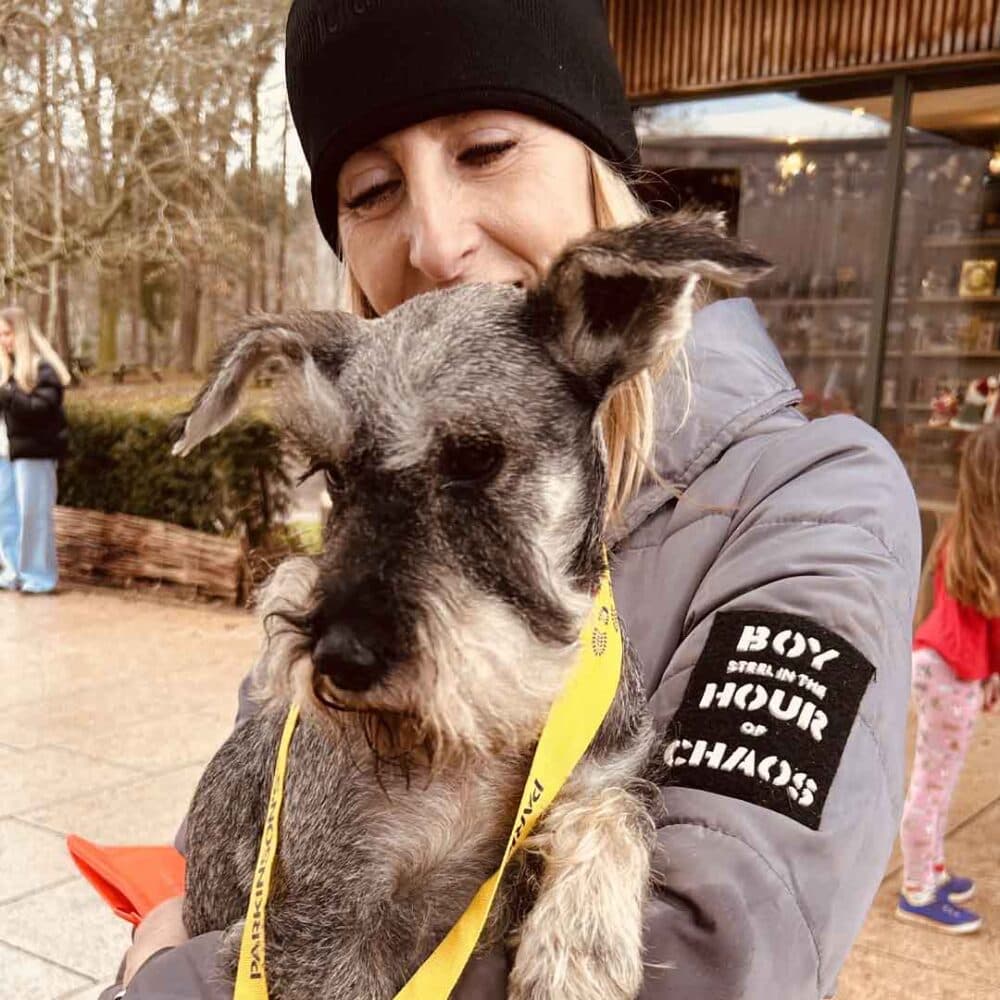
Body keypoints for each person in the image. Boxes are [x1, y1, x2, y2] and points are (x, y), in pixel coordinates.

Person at [108, 2, 922, 997]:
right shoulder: (360, 539)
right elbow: (251, 843)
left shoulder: (812, 503)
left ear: (594, 162)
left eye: (485, 148)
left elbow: (712, 958)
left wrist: (164, 974)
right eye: (370, 190)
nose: (438, 241)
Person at [896, 424, 1000, 934]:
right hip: (949, 673)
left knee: (940, 778)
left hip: (945, 667)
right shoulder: (986, 542)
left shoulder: (969, 531)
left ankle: (931, 869)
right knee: (932, 784)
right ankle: (917, 889)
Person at [0, 306, 70, 594]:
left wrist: (7, 391)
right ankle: (14, 570)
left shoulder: (43, 369)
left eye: (7, 333)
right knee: (6, 515)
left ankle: (39, 577)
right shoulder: (6, 370)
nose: (3, 340)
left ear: (22, 334)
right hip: (5, 452)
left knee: (34, 516)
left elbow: (41, 409)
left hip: (34, 453)